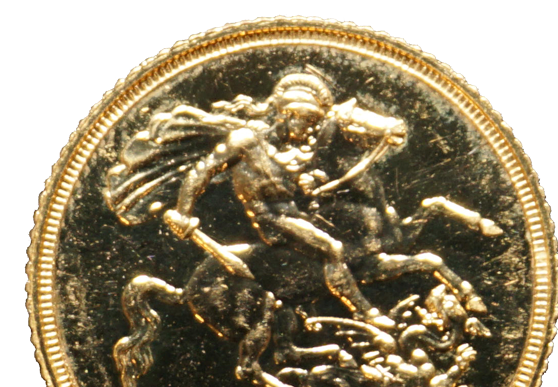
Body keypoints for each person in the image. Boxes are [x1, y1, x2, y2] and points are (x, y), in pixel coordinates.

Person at [164, 72, 405, 328]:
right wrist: (183, 212)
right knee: (331, 248)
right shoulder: (247, 141)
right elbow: (202, 171)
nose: (309, 128)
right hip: (271, 220)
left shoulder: (294, 147)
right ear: (287, 115)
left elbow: (345, 120)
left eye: (313, 122)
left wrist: (386, 128)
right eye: (306, 120)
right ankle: (364, 311)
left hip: (295, 214)